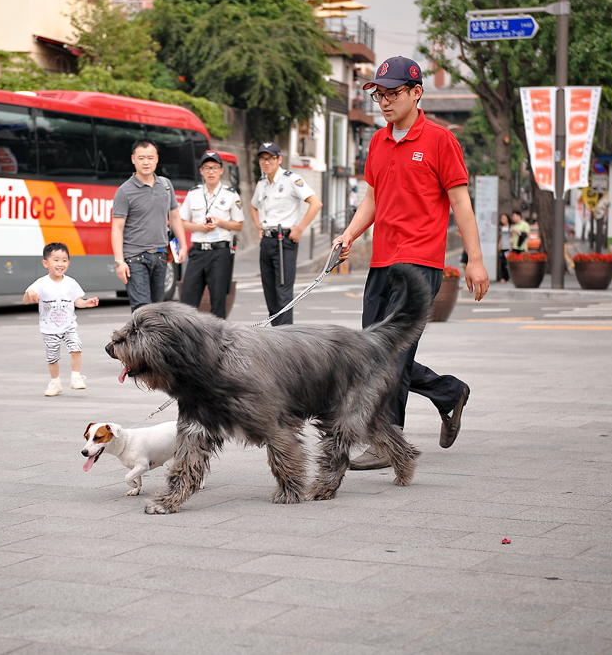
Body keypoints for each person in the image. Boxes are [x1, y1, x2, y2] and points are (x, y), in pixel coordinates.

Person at [332, 56, 489, 468]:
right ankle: (449, 393)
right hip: (382, 262)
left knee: (392, 354)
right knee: (372, 352)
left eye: (392, 94)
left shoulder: (440, 140)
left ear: (416, 92)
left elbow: (460, 202)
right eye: (379, 95)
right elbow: (372, 198)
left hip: (420, 265)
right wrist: (350, 234)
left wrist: (475, 260)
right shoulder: (378, 141)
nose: (384, 102)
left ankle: (386, 439)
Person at [250, 142, 323, 325]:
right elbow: (253, 206)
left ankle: (286, 342)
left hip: (284, 241)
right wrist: (259, 226)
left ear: (279, 159)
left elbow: (316, 203)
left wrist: (300, 228)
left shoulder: (291, 179)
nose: (266, 162)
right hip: (266, 241)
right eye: (263, 158)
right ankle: (276, 338)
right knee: (270, 294)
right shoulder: (262, 183)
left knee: (283, 293)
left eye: (270, 158)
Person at [111, 139, 187, 311]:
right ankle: (139, 339)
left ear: (157, 159)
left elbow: (174, 217)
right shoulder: (124, 191)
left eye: (150, 157)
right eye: (141, 158)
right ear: (133, 159)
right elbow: (117, 228)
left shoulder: (166, 186)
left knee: (158, 310)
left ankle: (155, 340)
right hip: (135, 258)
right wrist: (119, 261)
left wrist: (182, 246)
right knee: (142, 310)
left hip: (160, 257)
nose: (146, 162)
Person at [23, 242, 100, 396]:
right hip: (49, 328)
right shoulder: (41, 283)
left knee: (76, 348)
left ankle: (76, 376)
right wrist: (30, 294)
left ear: (69, 263)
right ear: (45, 263)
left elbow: (76, 300)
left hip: (69, 326)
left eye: (64, 260)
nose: (60, 264)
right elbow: (26, 299)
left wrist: (86, 303)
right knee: (52, 357)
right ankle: (55, 382)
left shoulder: (71, 283)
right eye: (56, 260)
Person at [180, 152, 244, 318]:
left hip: (219, 253)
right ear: (201, 171)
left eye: (215, 167)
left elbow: (239, 224)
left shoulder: (231, 195)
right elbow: (181, 221)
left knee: (218, 303)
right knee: (187, 302)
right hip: (197, 252)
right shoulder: (193, 194)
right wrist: (198, 227)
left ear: (221, 170)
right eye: (207, 168)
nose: (211, 172)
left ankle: (219, 343)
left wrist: (220, 223)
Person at [498, 212, 511, 282]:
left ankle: (508, 277)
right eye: (501, 218)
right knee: (503, 263)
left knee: (508, 263)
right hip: (503, 247)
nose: (503, 220)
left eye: (504, 218)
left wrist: (511, 246)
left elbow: (511, 237)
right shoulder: (501, 228)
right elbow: (501, 237)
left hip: (508, 247)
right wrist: (499, 244)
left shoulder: (511, 227)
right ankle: (503, 277)